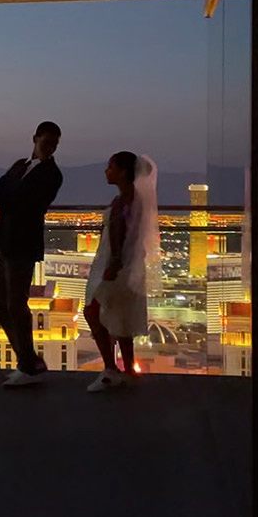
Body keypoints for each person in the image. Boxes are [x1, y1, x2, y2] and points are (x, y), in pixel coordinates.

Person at [0, 121, 63, 387]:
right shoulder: (20, 165)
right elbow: (3, 188)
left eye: (54, 144)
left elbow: (23, 200)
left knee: (15, 302)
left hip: (23, 244)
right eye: (47, 142)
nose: (50, 148)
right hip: (6, 241)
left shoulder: (52, 175)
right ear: (35, 138)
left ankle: (28, 365)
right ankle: (29, 360)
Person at [83, 151, 159, 392]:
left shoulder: (122, 203)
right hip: (128, 265)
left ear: (123, 172)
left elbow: (119, 236)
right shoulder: (135, 200)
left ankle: (110, 368)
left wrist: (112, 266)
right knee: (121, 313)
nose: (106, 171)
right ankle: (127, 369)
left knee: (93, 311)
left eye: (110, 167)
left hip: (115, 265)